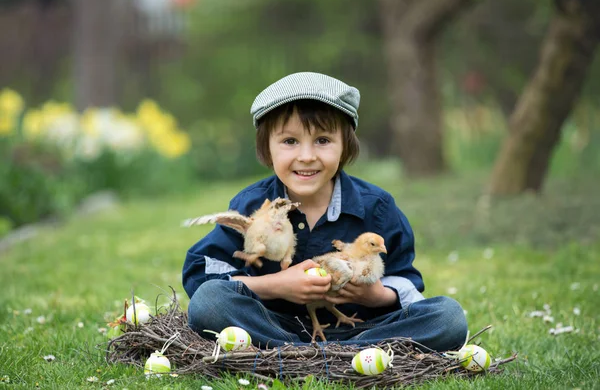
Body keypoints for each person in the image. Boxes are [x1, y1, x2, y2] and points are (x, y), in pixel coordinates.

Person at [183, 72, 467, 351]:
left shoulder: (376, 207)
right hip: (271, 325)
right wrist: (276, 284)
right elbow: (202, 273)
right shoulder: (252, 205)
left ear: (345, 147)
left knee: (448, 317)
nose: (306, 156)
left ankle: (325, 354)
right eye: (290, 141)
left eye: (322, 140)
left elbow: (404, 277)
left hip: (363, 329)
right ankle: (309, 354)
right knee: (209, 303)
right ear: (267, 148)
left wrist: (377, 296)